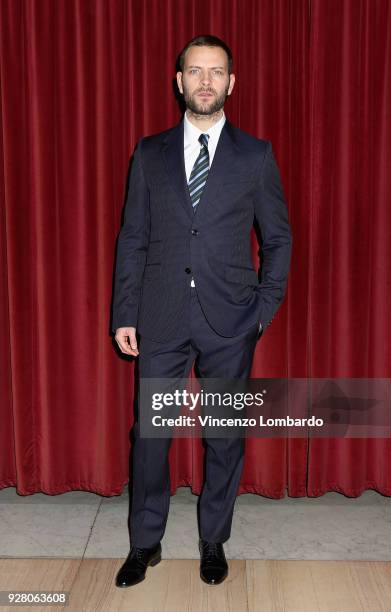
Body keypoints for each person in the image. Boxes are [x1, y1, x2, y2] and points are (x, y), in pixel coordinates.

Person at [112, 34, 292, 587]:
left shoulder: (255, 155)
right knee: (151, 437)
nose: (206, 81)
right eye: (196, 71)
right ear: (179, 81)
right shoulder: (149, 152)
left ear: (231, 83)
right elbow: (133, 238)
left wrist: (262, 310)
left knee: (223, 435)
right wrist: (125, 311)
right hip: (161, 317)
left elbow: (279, 239)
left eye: (216, 72)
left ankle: (213, 541)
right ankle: (146, 543)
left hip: (230, 321)